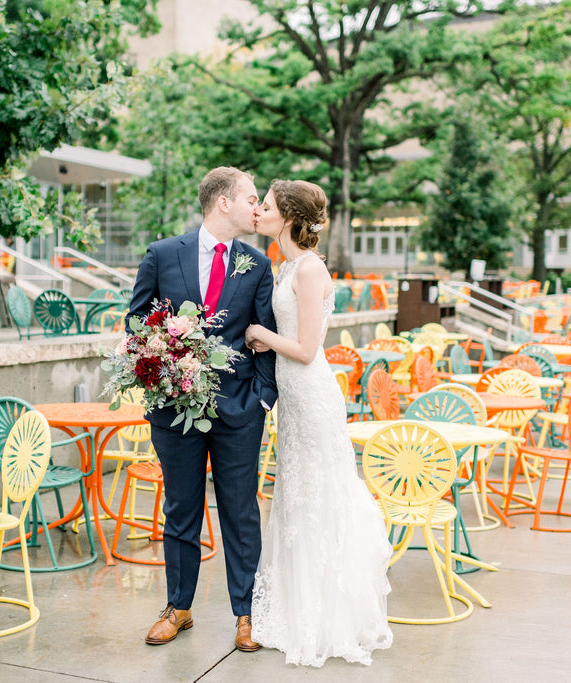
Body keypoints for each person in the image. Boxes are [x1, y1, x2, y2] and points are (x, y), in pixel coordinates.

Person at [127, 167, 278, 652]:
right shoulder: (162, 254)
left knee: (240, 513)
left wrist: (262, 399)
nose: (258, 208)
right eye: (251, 198)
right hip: (174, 411)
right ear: (223, 203)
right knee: (181, 509)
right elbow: (135, 323)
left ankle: (246, 614)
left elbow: (265, 335)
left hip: (239, 411)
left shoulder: (256, 263)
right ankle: (179, 607)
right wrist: (163, 361)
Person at [244, 180, 393, 667]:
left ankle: (324, 618)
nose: (258, 211)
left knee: (318, 498)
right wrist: (272, 339)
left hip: (312, 397)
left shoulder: (308, 269)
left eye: (265, 206)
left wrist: (259, 332)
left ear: (287, 215)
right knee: (297, 496)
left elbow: (308, 350)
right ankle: (296, 608)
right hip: (295, 399)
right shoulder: (287, 265)